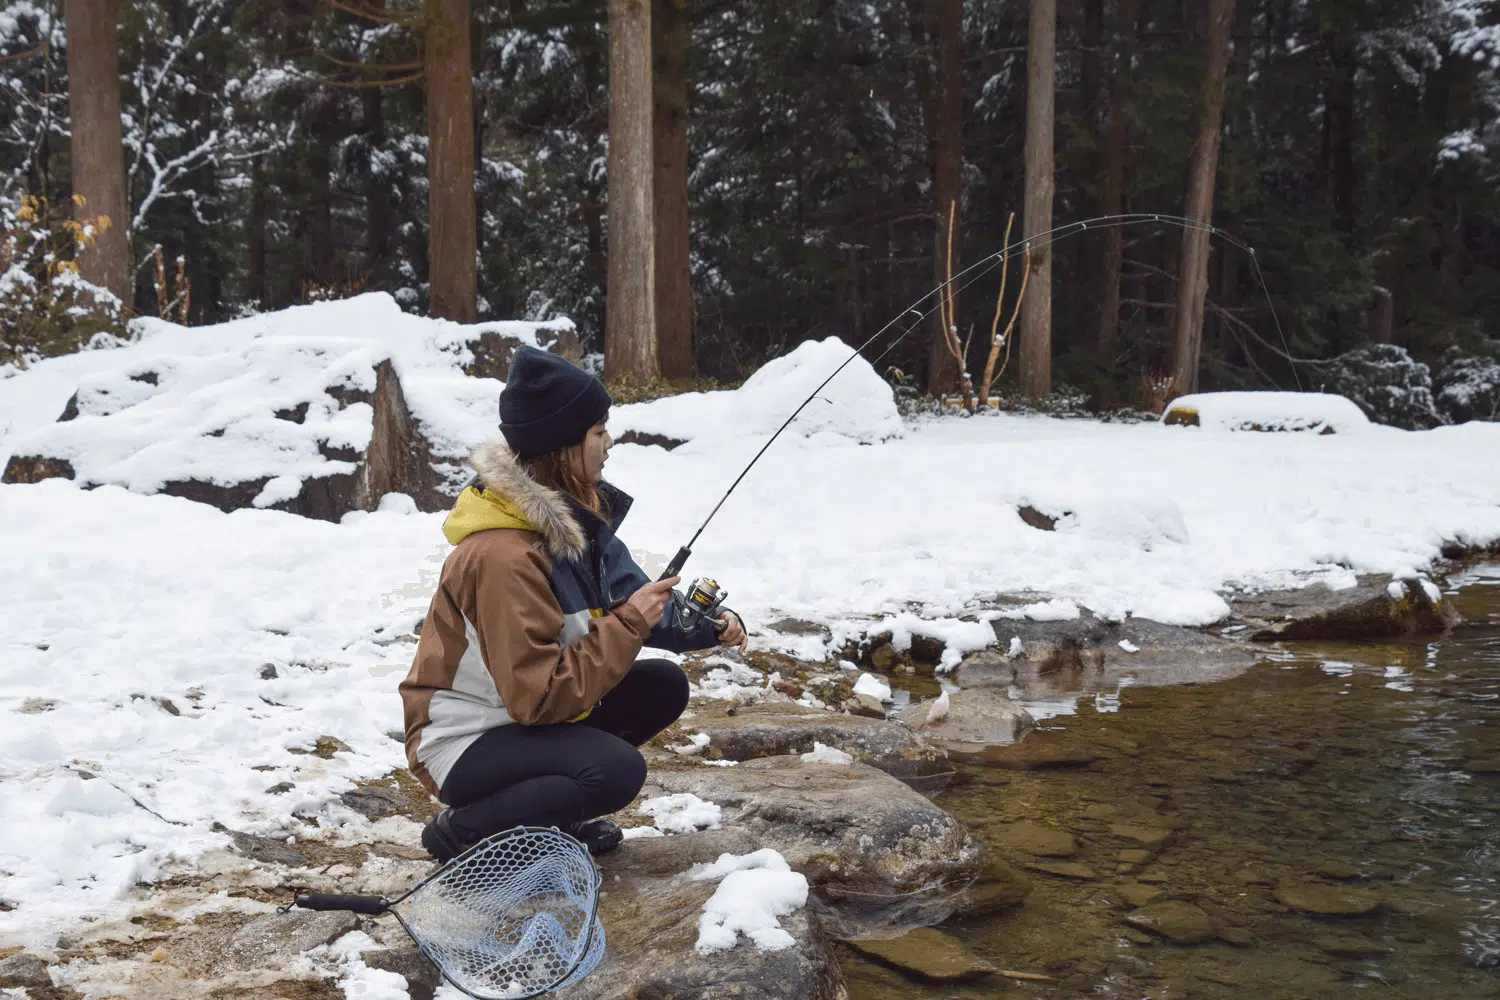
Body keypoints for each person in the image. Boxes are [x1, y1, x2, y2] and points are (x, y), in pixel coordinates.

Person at [399, 346, 746, 861]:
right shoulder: (502, 557)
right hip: (462, 740)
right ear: (563, 446)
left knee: (661, 685)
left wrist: (708, 625)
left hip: (517, 724)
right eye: (598, 431)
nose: (609, 443)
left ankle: (545, 822)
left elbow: (635, 596)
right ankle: (465, 831)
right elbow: (537, 699)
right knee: (616, 770)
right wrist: (627, 626)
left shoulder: (577, 524)